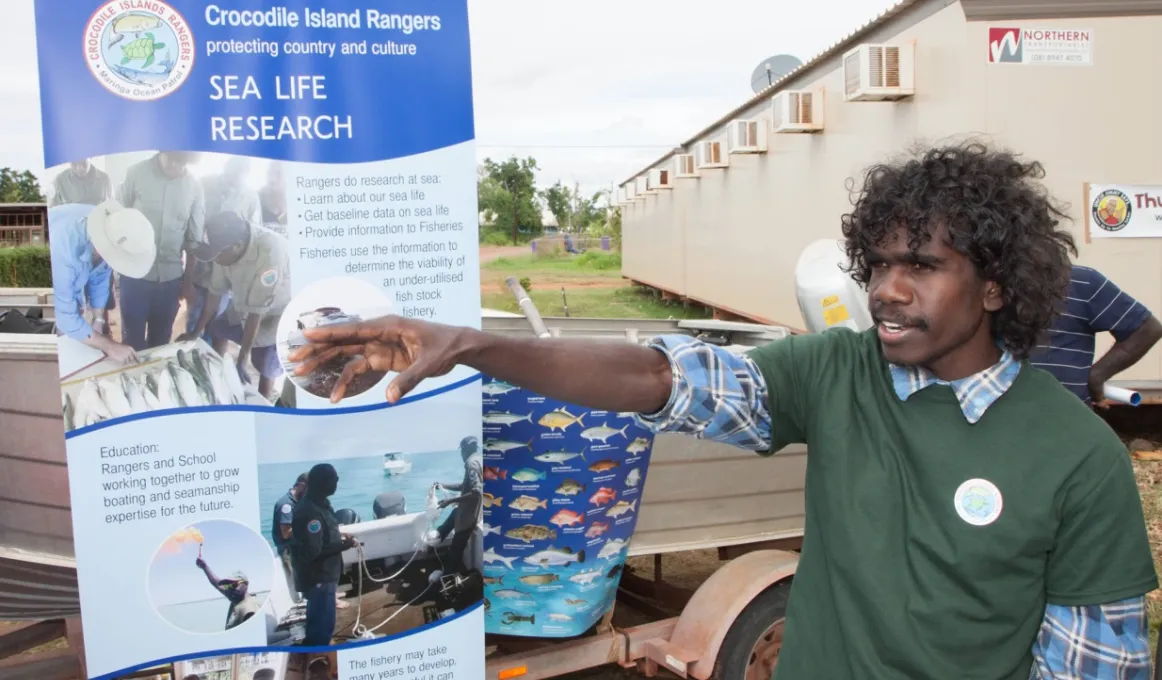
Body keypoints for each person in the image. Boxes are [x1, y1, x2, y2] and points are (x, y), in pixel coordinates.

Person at [286, 142, 1158, 678]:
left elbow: (1095, 665)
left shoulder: (1077, 456)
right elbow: (661, 379)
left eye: (922, 267)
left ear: (998, 285)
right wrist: (472, 344)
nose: (886, 292)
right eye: (880, 262)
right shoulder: (838, 372)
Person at [177, 212, 290, 400]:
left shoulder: (270, 252)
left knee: (266, 362)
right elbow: (215, 292)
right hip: (246, 305)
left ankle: (264, 401)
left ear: (238, 246)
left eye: (218, 255)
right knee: (218, 328)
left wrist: (242, 359)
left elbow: (256, 313)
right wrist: (196, 331)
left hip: (277, 312)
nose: (216, 260)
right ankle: (220, 375)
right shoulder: (223, 249)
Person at [1028, 265, 1162, 405]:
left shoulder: (1081, 281)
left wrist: (1097, 375)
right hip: (1007, 416)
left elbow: (1147, 329)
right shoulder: (1005, 287)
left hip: (1066, 416)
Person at [48, 200, 156, 365]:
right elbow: (64, 316)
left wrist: (99, 320)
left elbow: (100, 275)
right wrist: (108, 345)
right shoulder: (61, 249)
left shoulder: (112, 229)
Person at [117, 150, 205, 351]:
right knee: (132, 343)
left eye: (183, 163)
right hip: (134, 276)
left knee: (161, 343)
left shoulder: (194, 187)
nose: (177, 167)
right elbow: (116, 221)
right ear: (162, 152)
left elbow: (194, 243)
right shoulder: (135, 174)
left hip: (170, 281)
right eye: (173, 161)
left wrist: (188, 283)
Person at [186, 157, 263, 341]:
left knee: (216, 323)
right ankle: (193, 350)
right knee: (194, 319)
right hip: (200, 269)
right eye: (233, 168)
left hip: (228, 273)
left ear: (247, 173)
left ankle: (210, 362)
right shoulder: (204, 185)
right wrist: (187, 278)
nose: (236, 174)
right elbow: (192, 229)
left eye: (242, 171)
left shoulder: (251, 197)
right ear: (225, 166)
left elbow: (253, 236)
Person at [291, 463, 357, 647]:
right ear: (322, 482)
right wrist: (344, 545)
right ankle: (319, 653)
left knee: (317, 621)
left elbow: (320, 537)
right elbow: (313, 551)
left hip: (323, 575)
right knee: (322, 627)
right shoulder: (310, 511)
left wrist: (339, 539)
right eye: (333, 479)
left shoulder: (319, 503)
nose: (336, 482)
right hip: (318, 576)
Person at [434, 436, 483, 576]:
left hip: (468, 516)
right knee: (452, 516)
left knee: (455, 550)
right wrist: (443, 485)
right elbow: (465, 486)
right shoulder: (479, 460)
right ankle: (436, 538)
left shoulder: (471, 464)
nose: (461, 454)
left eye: (462, 451)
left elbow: (476, 492)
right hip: (468, 512)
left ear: (465, 450)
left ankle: (447, 577)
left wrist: (449, 501)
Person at [194, 554, 263, 630]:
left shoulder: (248, 609)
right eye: (227, 586)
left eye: (234, 585)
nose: (229, 590)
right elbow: (217, 584)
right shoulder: (237, 597)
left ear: (246, 584)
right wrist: (204, 567)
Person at [272, 472, 309, 603]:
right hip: (289, 550)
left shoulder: (297, 501)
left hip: (297, 547)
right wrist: (307, 528)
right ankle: (302, 603)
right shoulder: (286, 505)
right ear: (302, 486)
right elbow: (286, 532)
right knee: (299, 580)